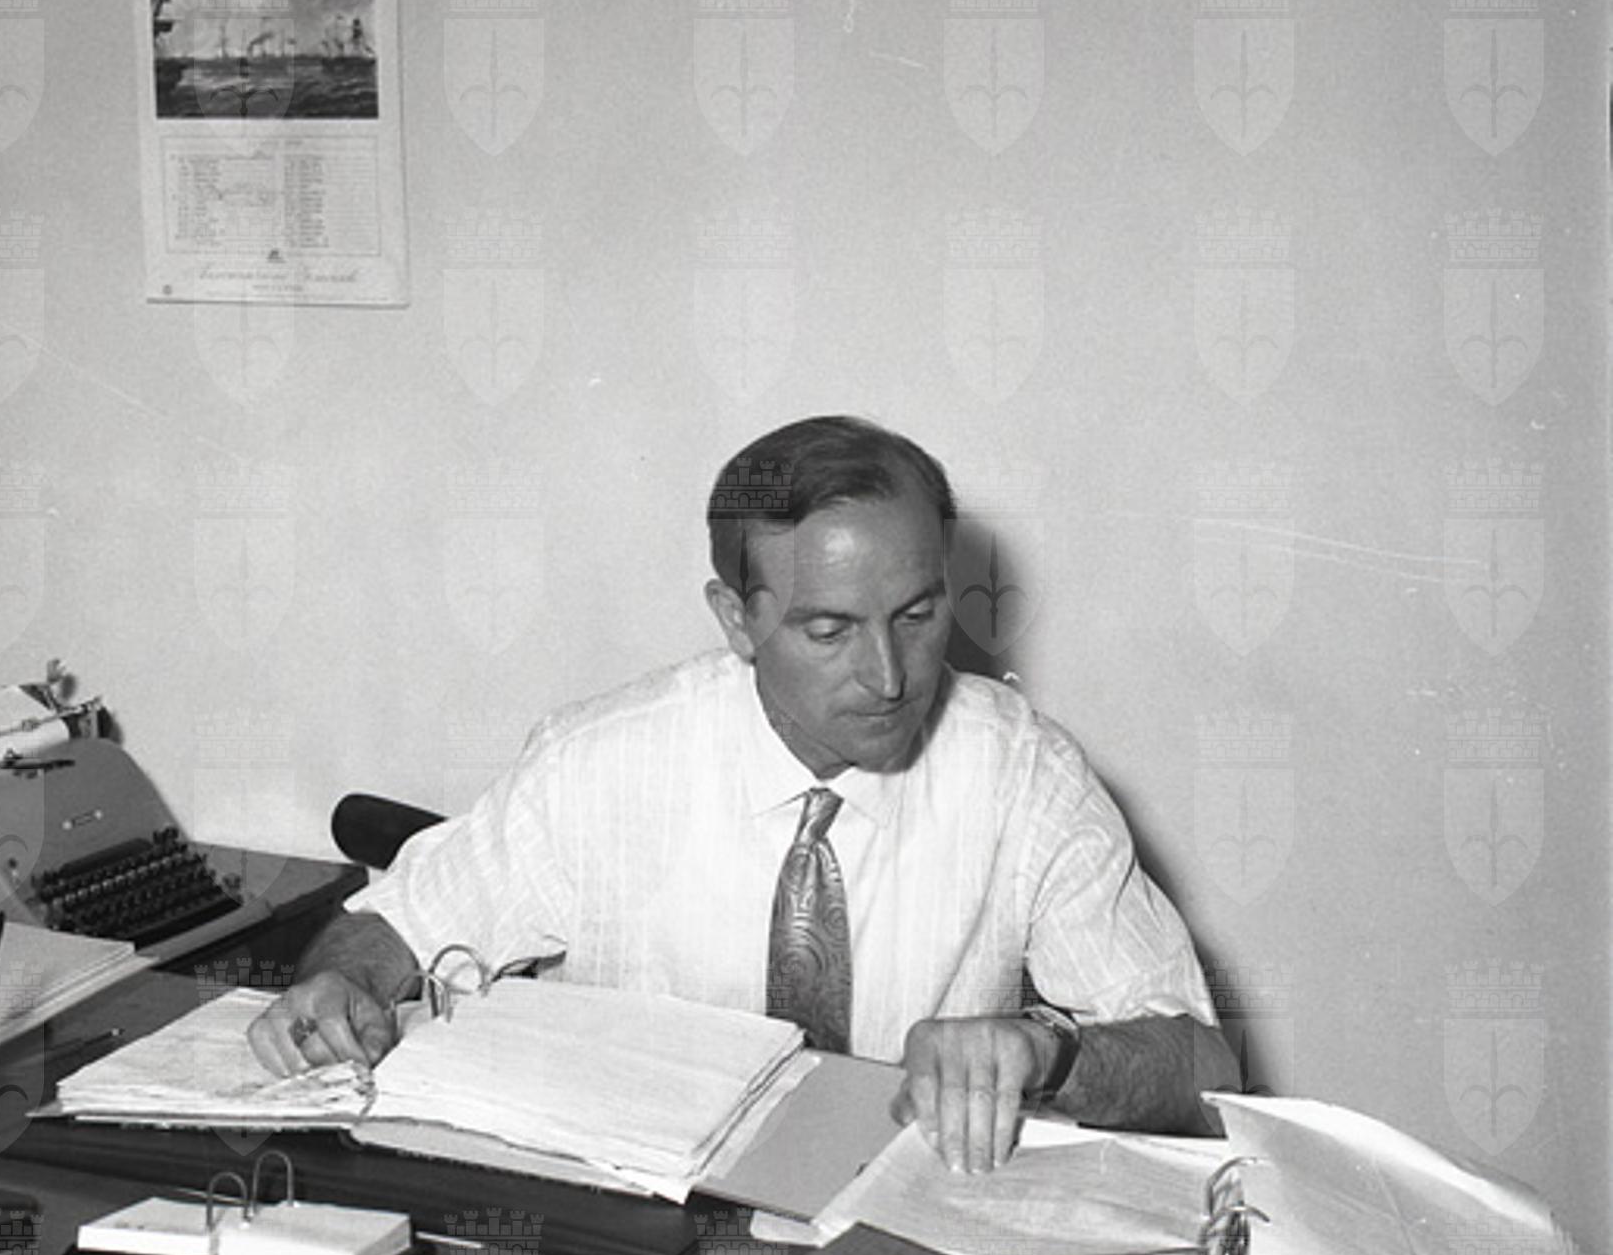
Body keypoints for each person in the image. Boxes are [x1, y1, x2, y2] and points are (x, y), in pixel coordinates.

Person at [250, 415, 1238, 1172]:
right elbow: (390, 929)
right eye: (828, 630)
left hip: (893, 1227)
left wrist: (1046, 1052)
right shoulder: (601, 761)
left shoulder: (1023, 774)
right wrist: (340, 986)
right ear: (735, 619)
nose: (889, 675)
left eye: (916, 614)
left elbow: (1204, 1071)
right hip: (636, 1215)